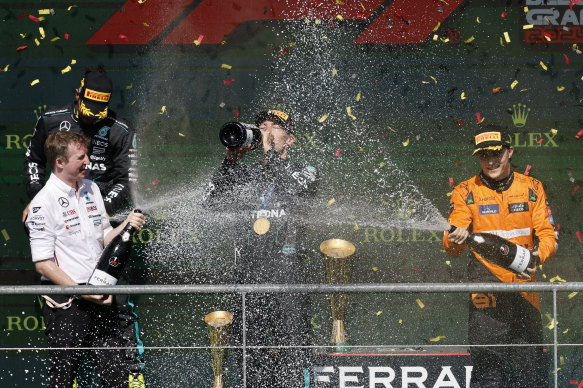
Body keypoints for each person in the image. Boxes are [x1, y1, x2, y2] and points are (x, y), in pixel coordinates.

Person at [22, 66, 145, 386]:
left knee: (115, 372)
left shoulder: (92, 187)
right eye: (82, 158)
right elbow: (43, 263)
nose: (89, 162)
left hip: (100, 276)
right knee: (63, 375)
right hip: (69, 298)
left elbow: (112, 217)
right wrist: (35, 199)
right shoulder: (45, 201)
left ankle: (132, 372)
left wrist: (123, 223)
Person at [203, 109, 318, 387]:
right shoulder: (243, 176)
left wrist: (272, 158)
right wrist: (230, 162)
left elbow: (296, 194)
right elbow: (209, 203)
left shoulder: (307, 171)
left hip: (289, 282)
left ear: (290, 139)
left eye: (274, 127)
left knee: (294, 361)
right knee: (251, 363)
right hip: (248, 281)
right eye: (261, 126)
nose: (265, 130)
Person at [443, 125, 558, 387]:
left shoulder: (532, 187)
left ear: (509, 151)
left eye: (496, 153)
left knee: (529, 375)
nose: (491, 160)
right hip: (486, 296)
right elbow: (452, 246)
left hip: (525, 293)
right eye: (484, 155)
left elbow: (548, 234)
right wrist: (455, 237)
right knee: (488, 376)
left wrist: (537, 257)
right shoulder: (464, 191)